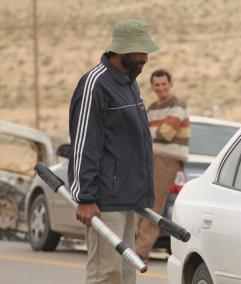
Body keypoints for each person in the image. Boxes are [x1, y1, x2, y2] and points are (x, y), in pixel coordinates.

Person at [68, 19, 158, 284]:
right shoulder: (95, 84)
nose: (145, 58)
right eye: (140, 52)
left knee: (126, 276)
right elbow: (85, 142)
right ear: (122, 50)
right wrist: (85, 196)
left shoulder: (129, 84)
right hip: (104, 199)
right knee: (106, 275)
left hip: (128, 197)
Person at [135, 69, 190, 262]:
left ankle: (140, 252)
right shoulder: (151, 107)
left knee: (154, 205)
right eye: (156, 85)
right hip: (149, 157)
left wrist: (150, 132)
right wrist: (151, 132)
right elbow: (142, 133)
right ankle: (134, 247)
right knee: (140, 202)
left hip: (166, 159)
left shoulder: (178, 105)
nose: (160, 88)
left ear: (170, 84)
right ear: (152, 87)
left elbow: (166, 133)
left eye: (163, 84)